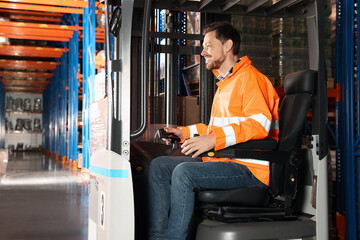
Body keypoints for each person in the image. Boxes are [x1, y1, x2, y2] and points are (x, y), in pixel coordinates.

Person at [148, 21, 280, 240]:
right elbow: (215, 129)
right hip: (227, 161)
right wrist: (184, 132)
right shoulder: (226, 83)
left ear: (227, 46)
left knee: (183, 173)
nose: (203, 52)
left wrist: (212, 140)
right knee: (159, 166)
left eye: (209, 46)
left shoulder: (250, 79)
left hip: (248, 168)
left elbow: (259, 124)